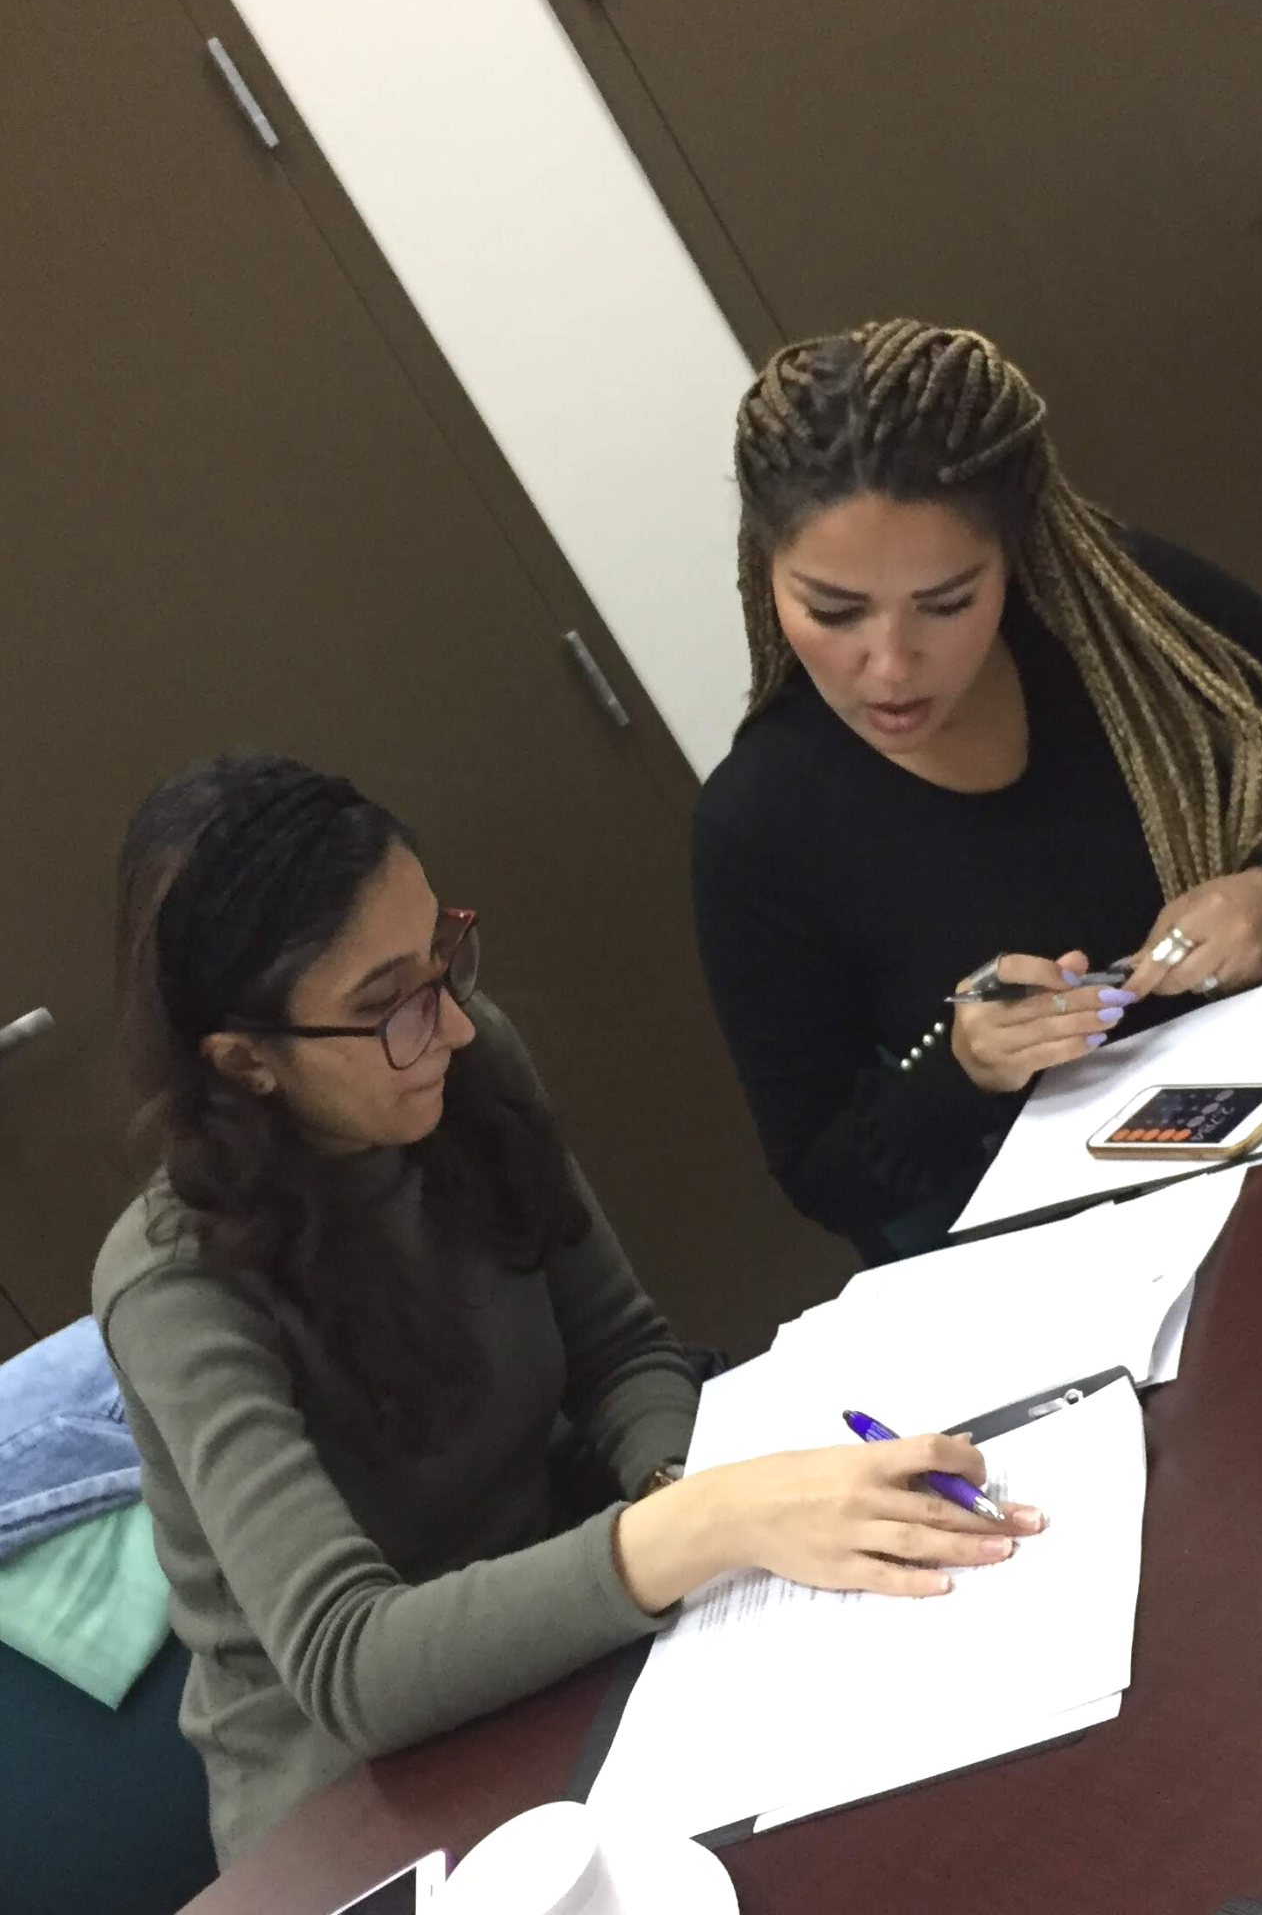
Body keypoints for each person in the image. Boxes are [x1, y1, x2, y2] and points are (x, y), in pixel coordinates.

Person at [94, 755, 1045, 1866]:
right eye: (385, 1005)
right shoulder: (175, 1284)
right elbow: (354, 1663)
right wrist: (699, 1525)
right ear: (245, 1061)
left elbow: (619, 1350)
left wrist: (671, 1488)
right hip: (356, 1809)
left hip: (570, 1653)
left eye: (439, 957)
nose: (446, 1023)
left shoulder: (463, 1061)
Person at [692, 319, 1262, 1262]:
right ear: (762, 572)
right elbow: (822, 1171)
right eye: (832, 610)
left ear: (1013, 550)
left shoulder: (1142, 623)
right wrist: (965, 1068)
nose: (889, 666)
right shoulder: (760, 824)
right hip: (1102, 1266)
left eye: (946, 603)